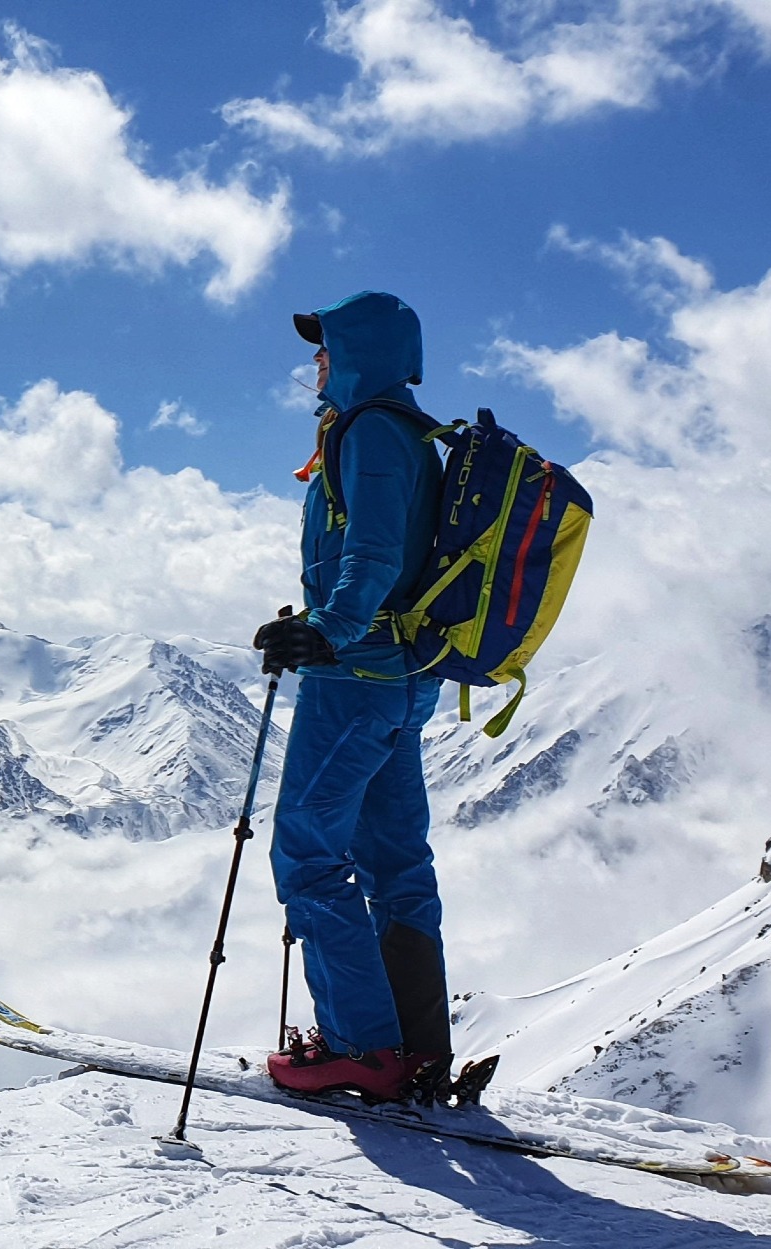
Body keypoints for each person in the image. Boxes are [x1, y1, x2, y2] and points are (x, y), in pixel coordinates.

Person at [251, 290, 451, 1101]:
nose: (316, 362)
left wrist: (326, 629)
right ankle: (415, 1046)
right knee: (397, 862)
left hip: (356, 676)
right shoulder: (407, 432)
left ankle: (363, 1047)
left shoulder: (369, 430)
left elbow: (368, 553)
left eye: (325, 346)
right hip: (404, 675)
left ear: (361, 350)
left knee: (306, 855)